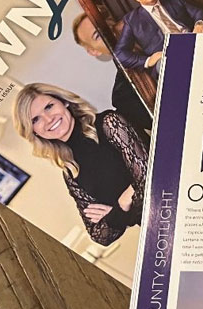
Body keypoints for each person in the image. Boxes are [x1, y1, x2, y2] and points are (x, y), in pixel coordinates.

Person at [13, 83, 147, 246]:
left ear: (64, 102)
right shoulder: (71, 172)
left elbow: (150, 179)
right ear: (33, 131)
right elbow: (99, 235)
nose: (48, 119)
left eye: (49, 107)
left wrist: (118, 213)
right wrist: (123, 203)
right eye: (35, 119)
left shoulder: (109, 124)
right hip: (155, 230)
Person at [114, 0, 203, 72]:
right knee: (161, 66)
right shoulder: (132, 20)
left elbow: (197, 12)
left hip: (192, 37)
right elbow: (120, 53)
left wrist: (199, 23)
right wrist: (148, 60)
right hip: (169, 53)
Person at [71, 13, 152, 133]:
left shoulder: (159, 23)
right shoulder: (124, 97)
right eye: (98, 35)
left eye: (107, 22)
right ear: (93, 51)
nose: (110, 30)